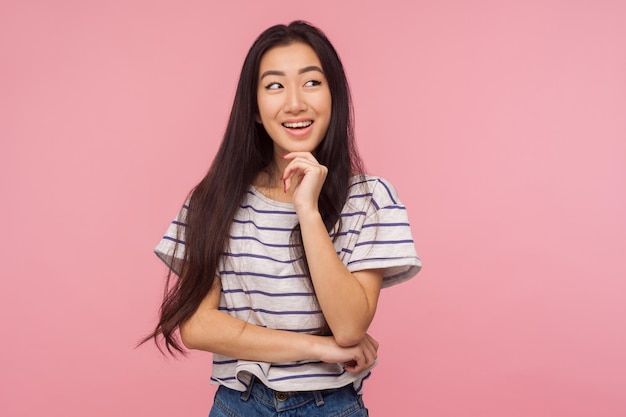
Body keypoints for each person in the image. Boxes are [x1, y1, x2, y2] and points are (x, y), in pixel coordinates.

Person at [144, 20, 421, 417]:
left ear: (334, 96)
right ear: (255, 110)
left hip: (332, 408)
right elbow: (198, 327)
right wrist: (319, 348)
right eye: (275, 85)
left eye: (311, 82)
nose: (295, 103)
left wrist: (306, 209)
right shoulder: (214, 201)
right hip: (238, 405)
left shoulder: (370, 199)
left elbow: (348, 328)